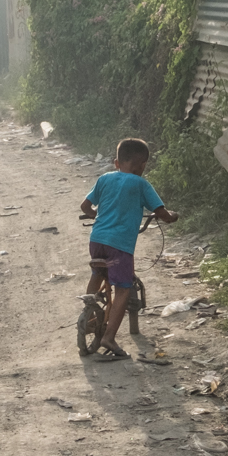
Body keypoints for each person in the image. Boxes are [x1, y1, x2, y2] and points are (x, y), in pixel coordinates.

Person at [76, 137, 176, 360]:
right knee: (122, 288)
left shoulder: (104, 179)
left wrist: (99, 216)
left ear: (116, 162)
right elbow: (162, 213)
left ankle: (90, 308)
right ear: (142, 165)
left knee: (98, 272)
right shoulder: (141, 184)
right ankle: (109, 337)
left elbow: (85, 206)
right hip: (119, 246)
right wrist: (172, 217)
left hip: (97, 240)